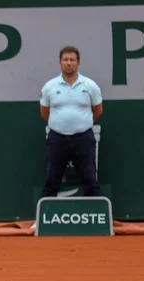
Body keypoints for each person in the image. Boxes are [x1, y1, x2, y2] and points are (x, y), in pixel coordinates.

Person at [40, 45, 103, 198]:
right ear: (60, 62)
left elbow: (98, 110)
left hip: (84, 138)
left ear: (78, 63)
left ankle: (95, 218)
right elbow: (44, 113)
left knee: (89, 179)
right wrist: (61, 125)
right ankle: (45, 219)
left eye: (72, 60)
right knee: (51, 180)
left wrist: (82, 124)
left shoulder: (90, 85)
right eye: (65, 60)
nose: (69, 63)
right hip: (57, 139)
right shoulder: (49, 87)